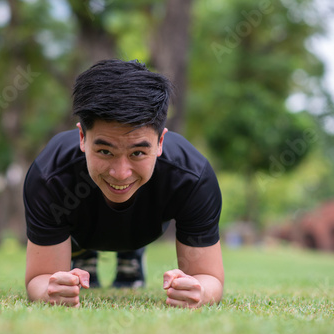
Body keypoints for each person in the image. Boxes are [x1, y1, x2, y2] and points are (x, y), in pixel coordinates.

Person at [24, 59, 224, 309]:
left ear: (161, 141)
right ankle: (81, 253)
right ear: (82, 138)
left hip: (143, 226)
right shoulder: (49, 176)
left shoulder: (192, 177)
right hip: (79, 226)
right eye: (105, 152)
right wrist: (51, 289)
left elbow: (210, 277)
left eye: (137, 153)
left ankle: (131, 254)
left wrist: (200, 291)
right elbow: (39, 279)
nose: (120, 173)